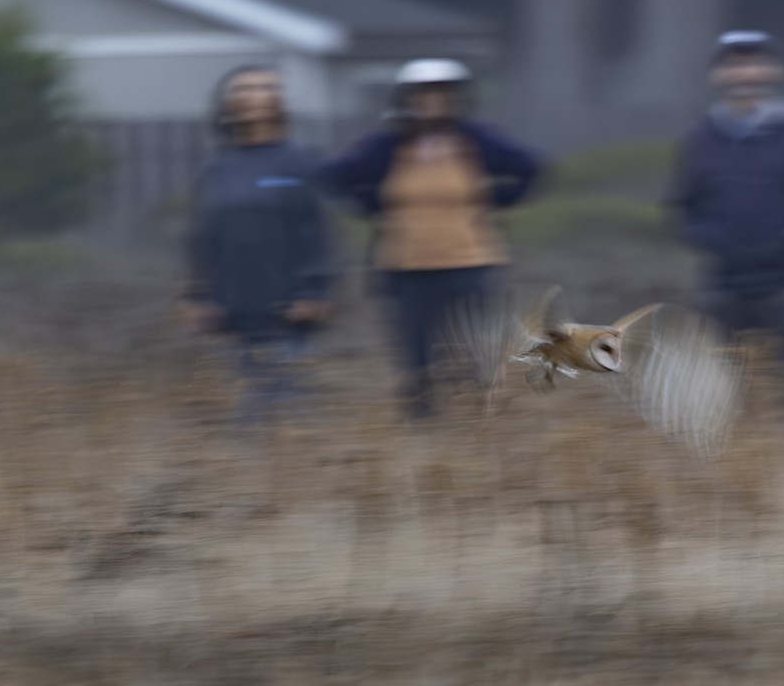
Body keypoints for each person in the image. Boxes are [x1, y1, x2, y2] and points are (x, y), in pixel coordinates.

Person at [319, 59, 541, 420]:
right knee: (414, 351)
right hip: (406, 265)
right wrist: (373, 204)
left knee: (470, 344)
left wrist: (497, 199)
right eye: (425, 95)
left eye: (443, 95)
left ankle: (474, 416)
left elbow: (530, 166)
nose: (434, 102)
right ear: (409, 99)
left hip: (469, 261)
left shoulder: (474, 141)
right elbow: (335, 175)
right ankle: (422, 422)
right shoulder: (389, 145)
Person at [664, 31, 784, 413]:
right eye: (734, 64)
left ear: (774, 70)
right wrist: (711, 240)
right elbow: (682, 206)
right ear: (718, 75)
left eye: (754, 62)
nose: (745, 73)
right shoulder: (701, 138)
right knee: (722, 387)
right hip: (723, 284)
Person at [180, 65, 334, 435]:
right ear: (227, 104)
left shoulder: (301, 162)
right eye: (243, 89)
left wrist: (315, 291)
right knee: (246, 405)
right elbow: (204, 237)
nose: (254, 95)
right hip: (233, 310)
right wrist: (199, 295)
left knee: (285, 406)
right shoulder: (217, 170)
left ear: (280, 101)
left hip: (287, 309)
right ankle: (255, 482)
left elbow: (316, 230)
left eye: (265, 87)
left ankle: (294, 477)